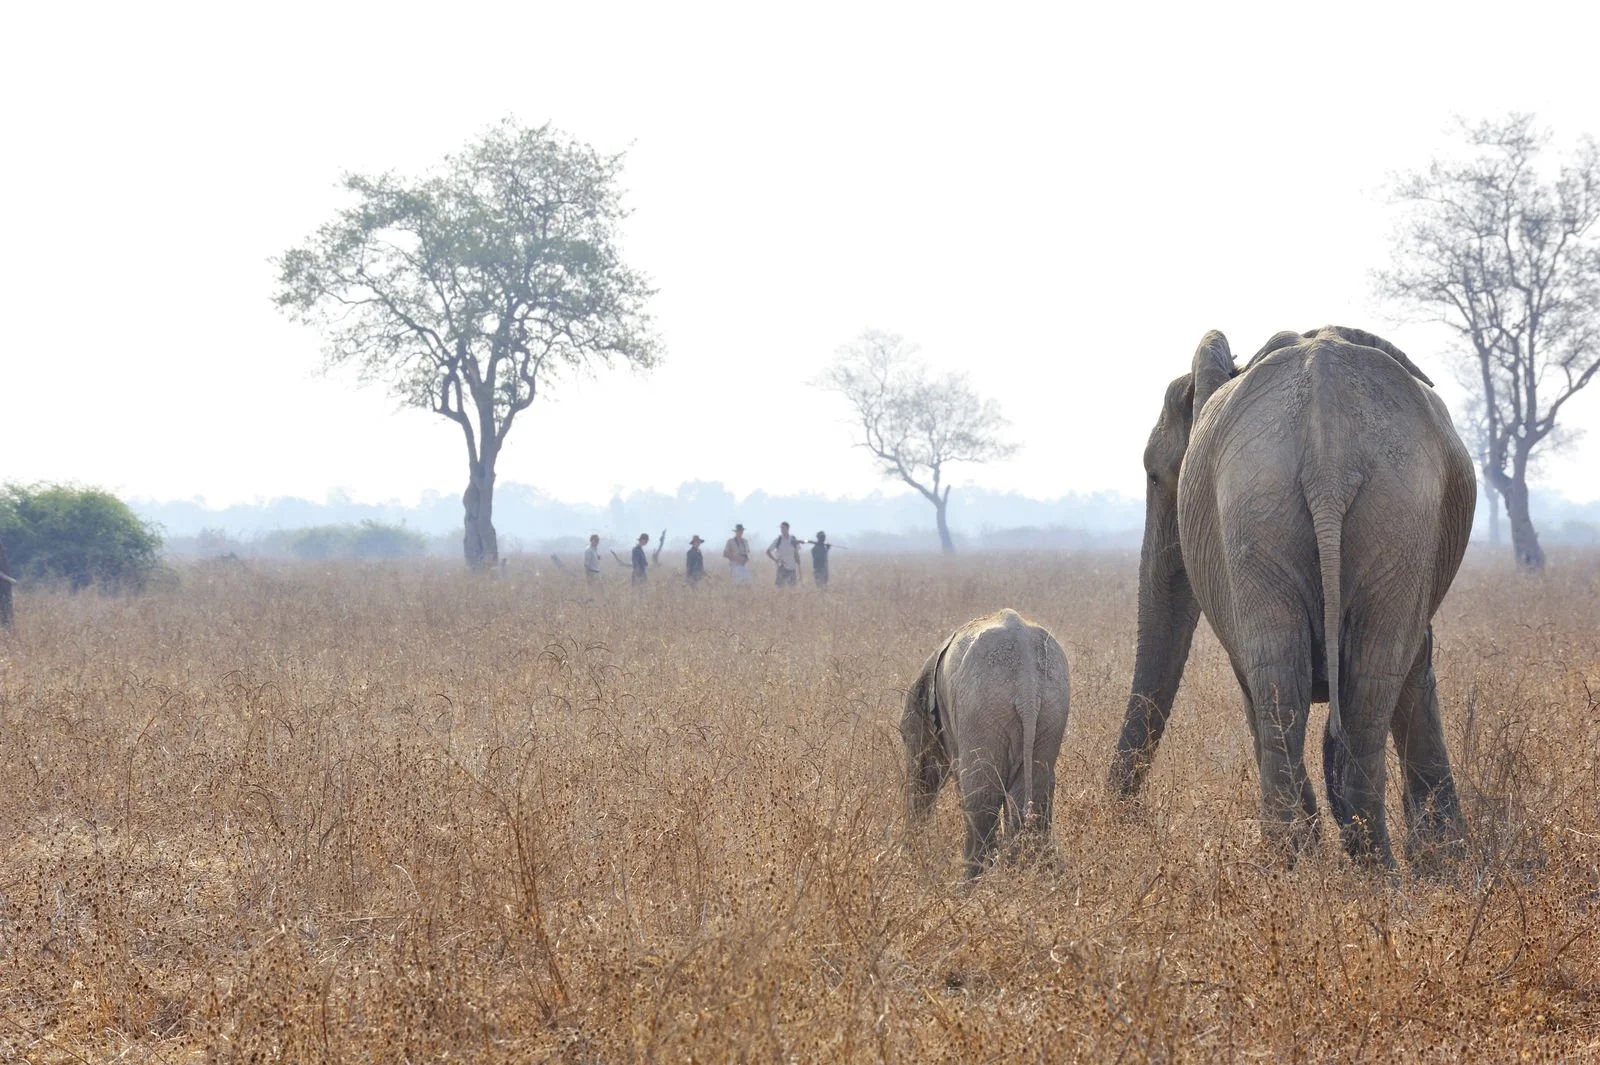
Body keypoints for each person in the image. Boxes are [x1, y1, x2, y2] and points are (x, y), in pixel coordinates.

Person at [767, 521, 801, 587]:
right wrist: (775, 560)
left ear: (788, 528)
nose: (782, 530)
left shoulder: (793, 539)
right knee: (780, 587)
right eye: (781, 528)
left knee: (792, 588)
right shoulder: (778, 540)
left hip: (792, 568)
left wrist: (798, 559)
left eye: (783, 528)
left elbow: (796, 551)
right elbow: (768, 551)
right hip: (782, 568)